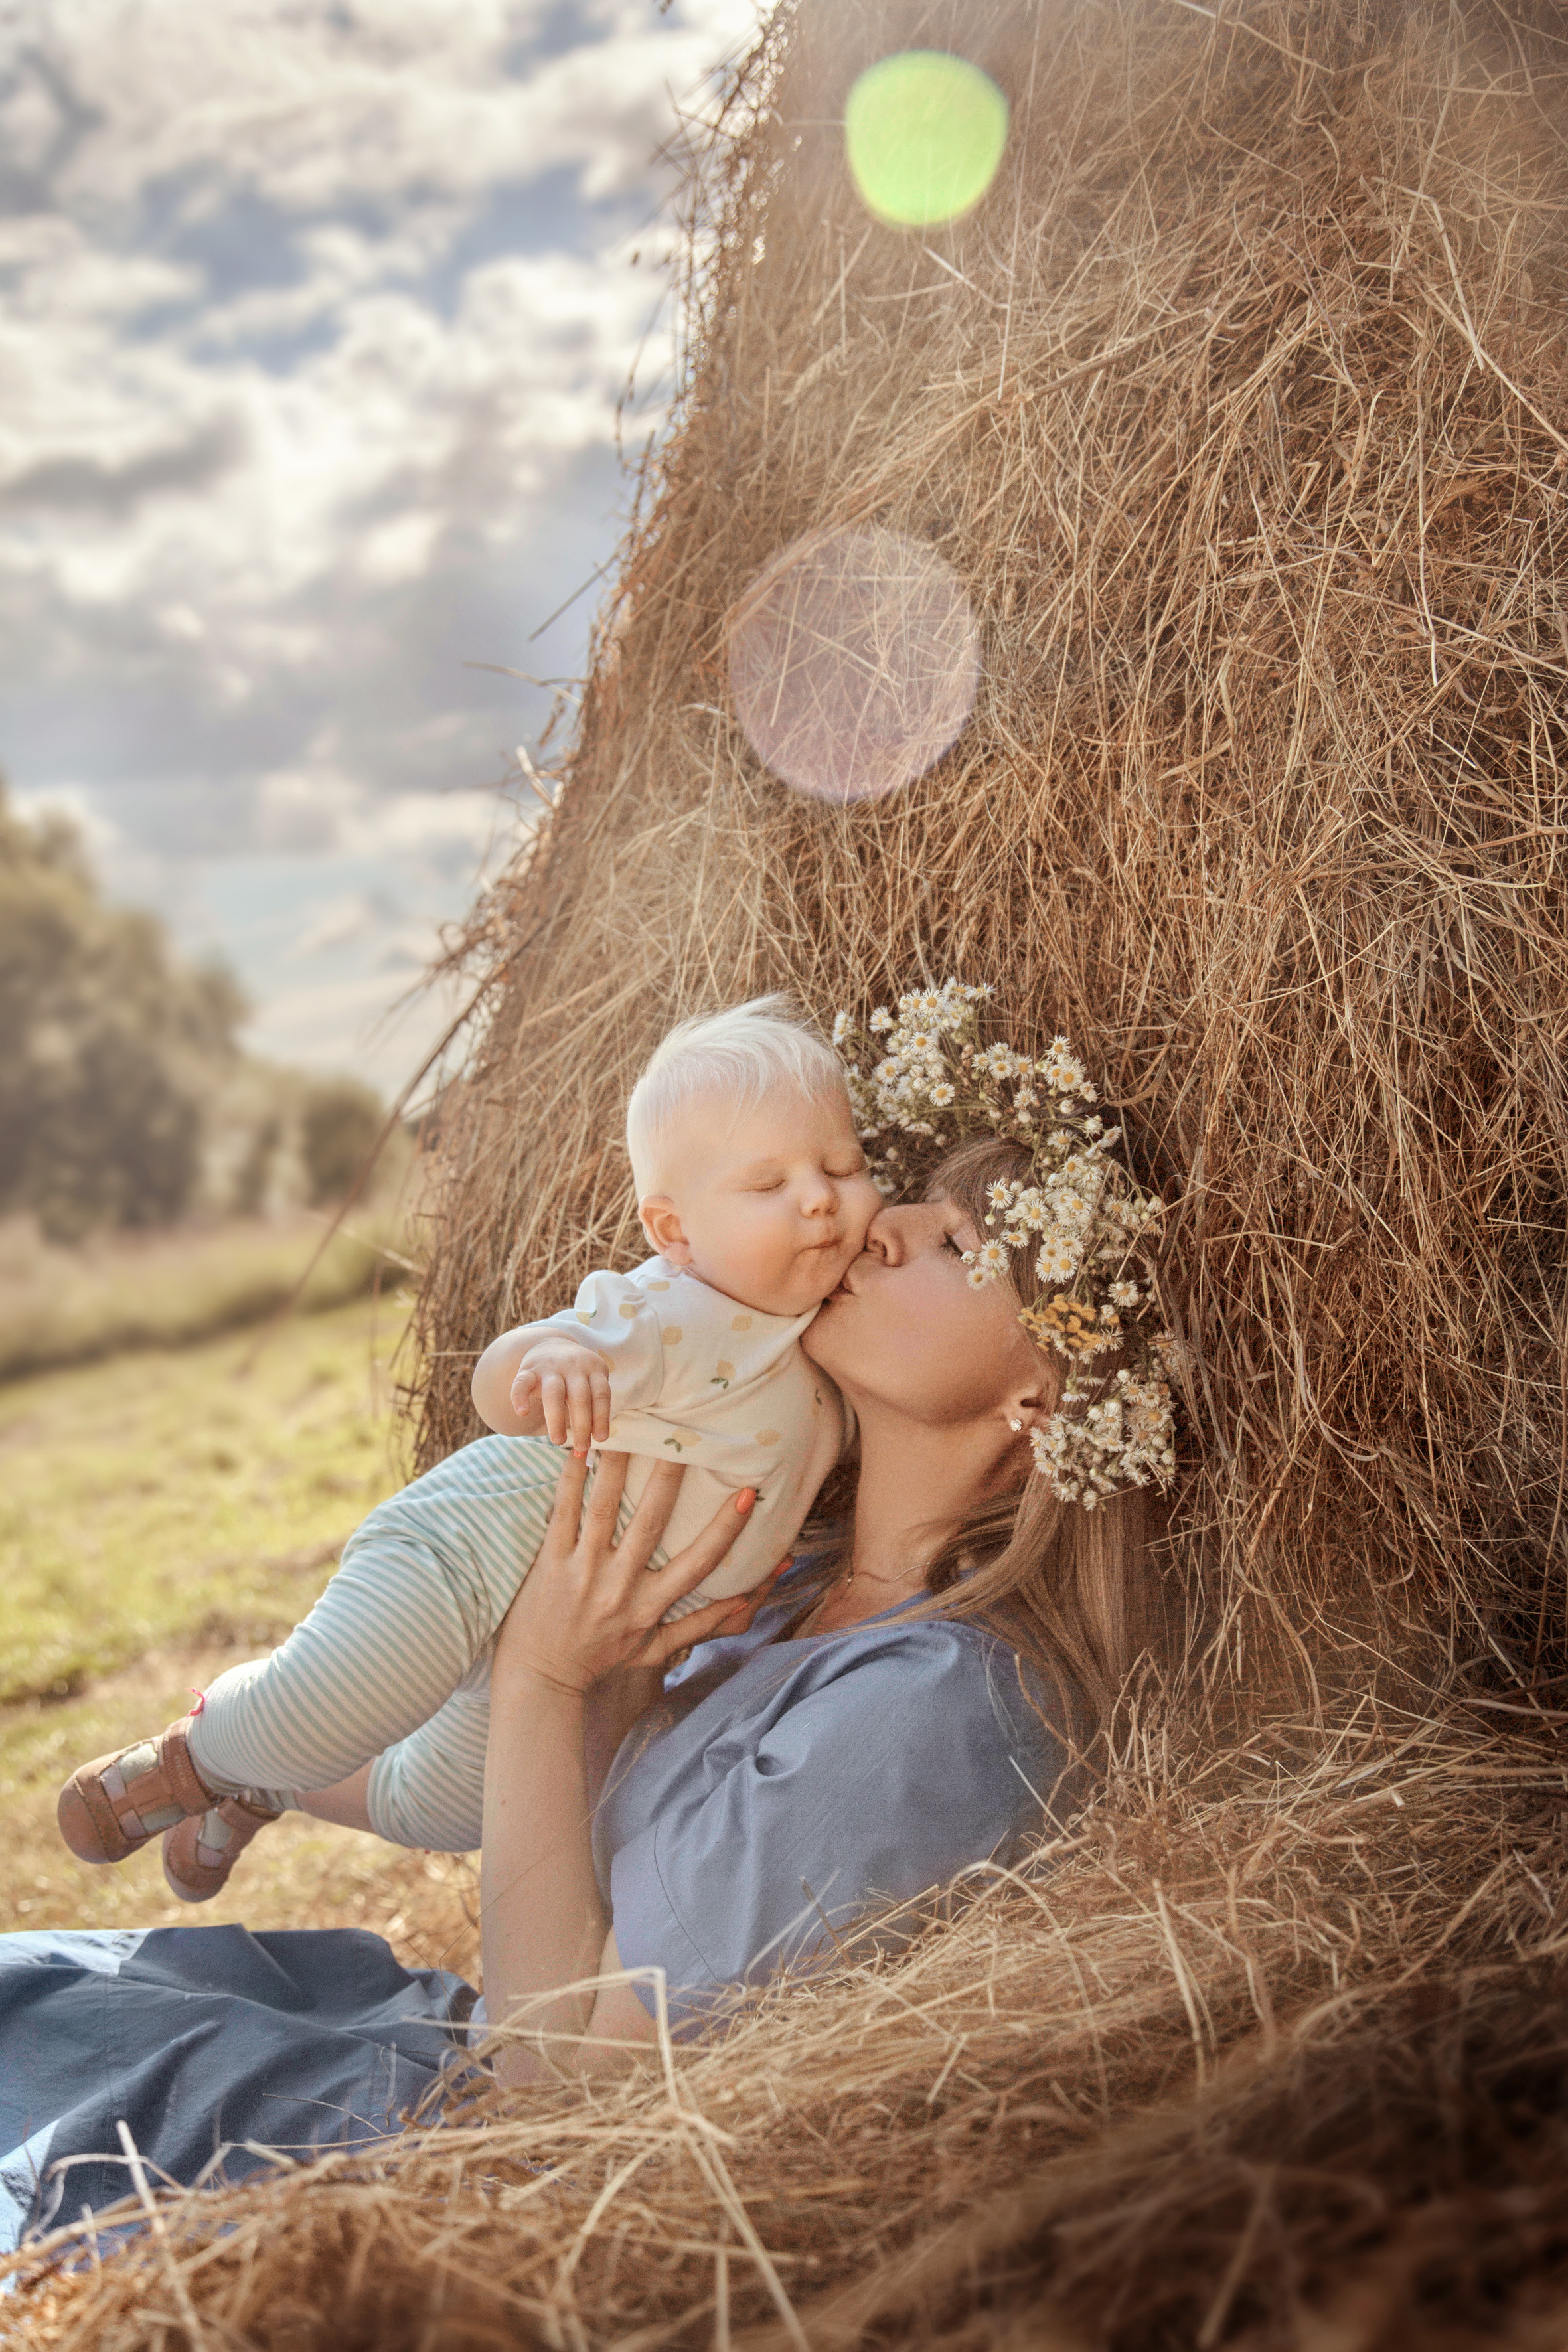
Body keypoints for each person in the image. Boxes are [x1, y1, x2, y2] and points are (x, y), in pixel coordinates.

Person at [1, 983, 1172, 2234]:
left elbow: (557, 2096)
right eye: (906, 1198)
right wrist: (537, 1691)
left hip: (455, 2144)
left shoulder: (925, 1708)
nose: (874, 1222)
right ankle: (228, 1766)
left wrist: (552, 1683)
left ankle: (225, 1776)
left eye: (954, 1247)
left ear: (1043, 1399)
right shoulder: (780, 1570)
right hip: (426, 2020)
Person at [54, 998, 882, 1901]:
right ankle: (189, 1764)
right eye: (769, 1186)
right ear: (674, 1233)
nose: (818, 1197)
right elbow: (499, 1384)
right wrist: (552, 1357)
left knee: (448, 1808)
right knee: (342, 1696)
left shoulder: (837, 1332)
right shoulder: (673, 1312)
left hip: (598, 1624)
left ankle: (268, 1783)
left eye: (844, 1165)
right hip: (477, 1545)